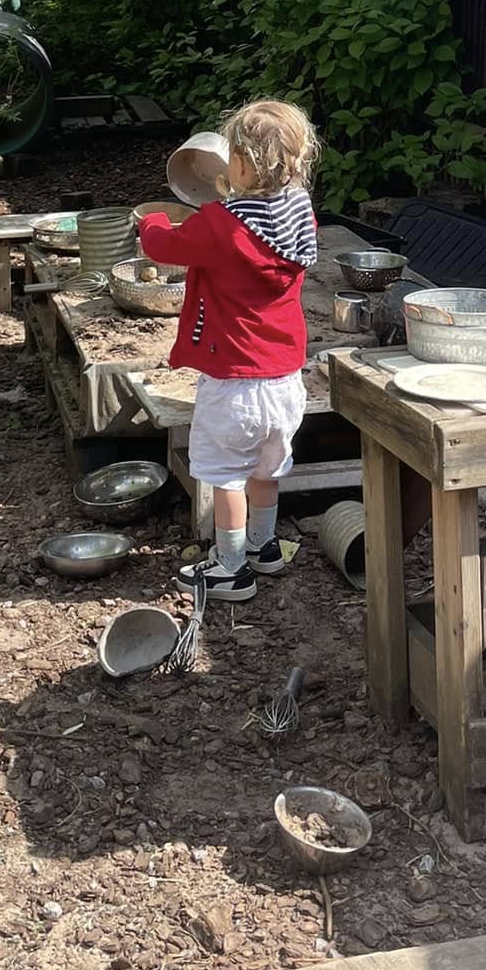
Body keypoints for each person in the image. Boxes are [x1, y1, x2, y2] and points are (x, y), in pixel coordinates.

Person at [136, 100, 318, 602]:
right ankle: (264, 547)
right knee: (267, 471)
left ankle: (231, 569)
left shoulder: (221, 223)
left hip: (235, 382)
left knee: (227, 479)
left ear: (240, 165)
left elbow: (165, 247)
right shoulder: (299, 211)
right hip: (285, 381)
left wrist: (150, 220)